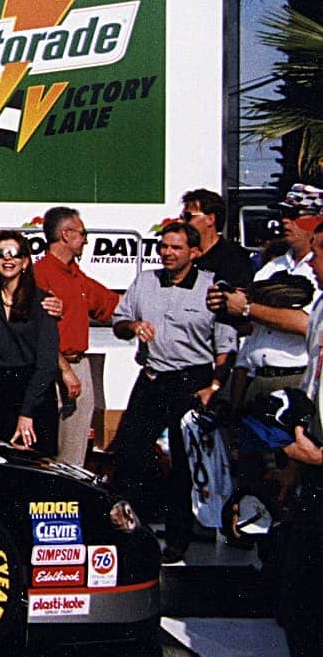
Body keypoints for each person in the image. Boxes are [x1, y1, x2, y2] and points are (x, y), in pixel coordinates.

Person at [111, 221, 238, 563]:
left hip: (190, 381)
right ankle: (129, 535)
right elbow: (118, 322)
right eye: (163, 246)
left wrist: (214, 386)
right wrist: (133, 326)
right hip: (152, 378)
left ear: (194, 253)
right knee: (129, 455)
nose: (166, 253)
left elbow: (225, 347)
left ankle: (178, 540)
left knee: (183, 464)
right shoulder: (145, 281)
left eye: (176, 248)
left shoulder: (212, 289)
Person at [213, 184, 322, 406]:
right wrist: (225, 304)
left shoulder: (318, 270)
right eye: (283, 214)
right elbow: (252, 328)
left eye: (294, 215)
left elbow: (306, 323)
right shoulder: (271, 267)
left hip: (294, 378)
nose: (285, 221)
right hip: (255, 377)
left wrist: (246, 308)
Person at [33, 206, 121, 465]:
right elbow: (38, 332)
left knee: (75, 449)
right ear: (66, 234)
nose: (85, 240)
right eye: (83, 234)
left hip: (78, 366)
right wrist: (65, 370)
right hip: (53, 369)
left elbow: (111, 303)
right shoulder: (40, 275)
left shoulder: (76, 275)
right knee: (48, 450)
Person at [276, 223, 323, 657]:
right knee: (298, 593)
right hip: (311, 467)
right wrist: (296, 461)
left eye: (321, 253)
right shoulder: (322, 305)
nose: (312, 263)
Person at [0, 231, 61, 455]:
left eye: (14, 254)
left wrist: (27, 413)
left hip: (35, 396)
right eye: (1, 254)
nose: (8, 259)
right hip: (0, 395)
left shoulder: (43, 302)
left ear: (25, 262)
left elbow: (47, 364)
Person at [181, 187, 255, 288]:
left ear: (210, 219)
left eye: (188, 216)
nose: (182, 222)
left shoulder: (235, 258)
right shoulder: (185, 256)